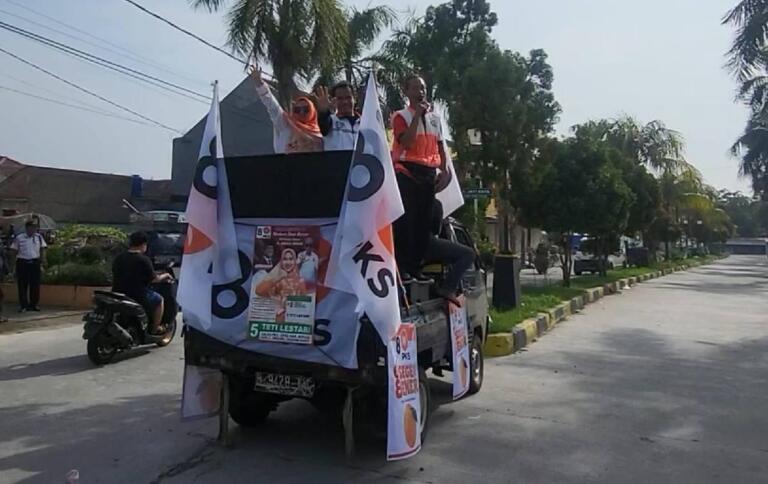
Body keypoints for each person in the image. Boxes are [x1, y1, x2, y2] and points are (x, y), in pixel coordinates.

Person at [391, 74, 448, 282]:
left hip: (428, 172)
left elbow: (440, 146)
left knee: (424, 223)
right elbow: (406, 142)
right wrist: (417, 116)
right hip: (407, 170)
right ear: (406, 92)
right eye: (415, 88)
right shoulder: (401, 116)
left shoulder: (435, 119)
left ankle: (416, 267)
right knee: (407, 221)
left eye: (422, 88)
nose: (420, 92)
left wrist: (446, 170)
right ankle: (402, 267)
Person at [250, 65, 323, 153]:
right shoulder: (285, 124)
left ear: (312, 112)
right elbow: (271, 105)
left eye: (306, 109)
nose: (301, 112)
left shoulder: (320, 134)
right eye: (297, 110)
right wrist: (259, 84)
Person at [112, 231, 172, 334]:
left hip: (117, 293)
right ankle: (155, 329)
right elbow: (155, 279)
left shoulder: (119, 258)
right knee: (159, 300)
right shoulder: (143, 260)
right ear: (143, 244)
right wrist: (165, 275)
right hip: (137, 295)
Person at [424, 201, 475, 305]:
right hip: (425, 241)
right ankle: (448, 288)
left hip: (400, 246)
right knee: (468, 254)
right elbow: (435, 230)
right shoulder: (434, 203)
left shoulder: (404, 200)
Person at [255, 248, 308, 322]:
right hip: (278, 320)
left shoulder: (300, 281)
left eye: (291, 259)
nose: (288, 262)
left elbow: (305, 304)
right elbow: (259, 291)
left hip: (295, 320)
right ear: (281, 261)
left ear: (295, 261)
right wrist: (278, 278)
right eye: (285, 259)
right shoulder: (277, 279)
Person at [10, 221, 47, 312]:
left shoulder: (38, 237)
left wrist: (43, 260)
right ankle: (23, 305)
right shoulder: (19, 237)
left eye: (34, 228)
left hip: (35, 262)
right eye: (31, 228)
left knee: (35, 285)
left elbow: (42, 249)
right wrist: (12, 264)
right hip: (23, 262)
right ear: (27, 228)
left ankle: (33, 304)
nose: (33, 230)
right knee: (23, 285)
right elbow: (14, 250)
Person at [314, 81, 360, 151]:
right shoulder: (331, 122)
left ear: (354, 99)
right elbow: (323, 125)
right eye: (340, 98)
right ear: (333, 100)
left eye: (348, 97)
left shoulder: (364, 124)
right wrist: (324, 112)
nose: (345, 102)